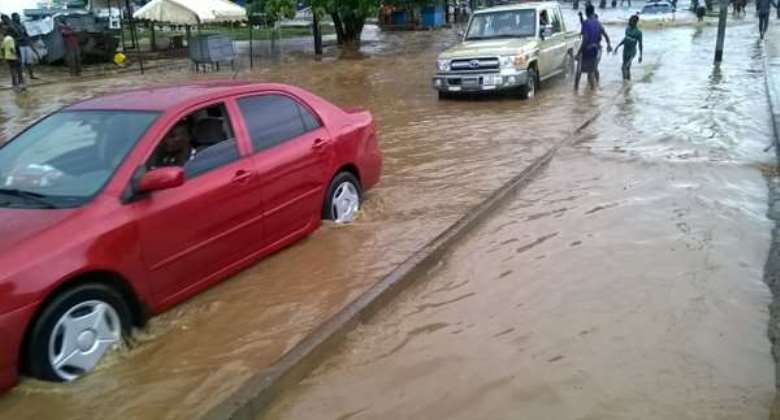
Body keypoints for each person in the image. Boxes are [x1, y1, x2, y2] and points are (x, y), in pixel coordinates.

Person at [576, 4, 612, 90]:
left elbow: (585, 39)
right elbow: (606, 35)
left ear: (586, 12)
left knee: (579, 71)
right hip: (595, 50)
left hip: (587, 50)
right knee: (592, 71)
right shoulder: (598, 23)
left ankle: (576, 91)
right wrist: (608, 45)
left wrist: (579, 52)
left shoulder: (586, 23)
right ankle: (593, 93)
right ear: (593, 12)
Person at [614, 14, 643, 80]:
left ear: (635, 22)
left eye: (631, 21)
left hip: (632, 52)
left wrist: (640, 55)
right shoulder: (627, 29)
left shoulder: (638, 32)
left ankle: (625, 83)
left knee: (624, 67)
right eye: (629, 21)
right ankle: (628, 83)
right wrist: (617, 46)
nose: (629, 22)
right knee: (627, 68)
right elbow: (625, 39)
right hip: (625, 50)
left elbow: (640, 44)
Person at [11, 13, 38, 80]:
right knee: (21, 62)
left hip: (26, 44)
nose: (18, 18)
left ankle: (31, 75)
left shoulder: (22, 25)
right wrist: (19, 39)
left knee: (29, 61)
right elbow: (12, 37)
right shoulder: (12, 26)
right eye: (17, 17)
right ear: (13, 18)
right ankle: (21, 76)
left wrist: (30, 43)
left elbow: (26, 34)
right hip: (19, 45)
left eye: (19, 16)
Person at [1, 24, 24, 92]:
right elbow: (12, 48)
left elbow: (2, 48)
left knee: (12, 70)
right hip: (13, 57)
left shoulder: (5, 39)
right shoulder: (11, 39)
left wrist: (3, 56)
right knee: (19, 70)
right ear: (11, 32)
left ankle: (14, 84)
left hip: (8, 57)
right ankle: (20, 84)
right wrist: (16, 56)